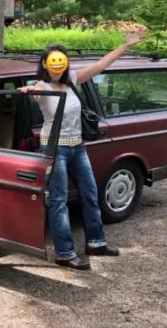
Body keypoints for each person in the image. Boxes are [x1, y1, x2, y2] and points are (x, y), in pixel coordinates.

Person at [20, 31, 146, 270]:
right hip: (54, 148)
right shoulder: (42, 86)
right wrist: (27, 91)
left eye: (61, 62)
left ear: (65, 63)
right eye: (52, 63)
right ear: (45, 65)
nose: (57, 67)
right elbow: (31, 90)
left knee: (89, 193)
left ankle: (96, 243)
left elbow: (102, 64)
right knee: (59, 200)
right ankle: (64, 253)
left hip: (77, 147)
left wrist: (125, 45)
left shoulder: (73, 81)